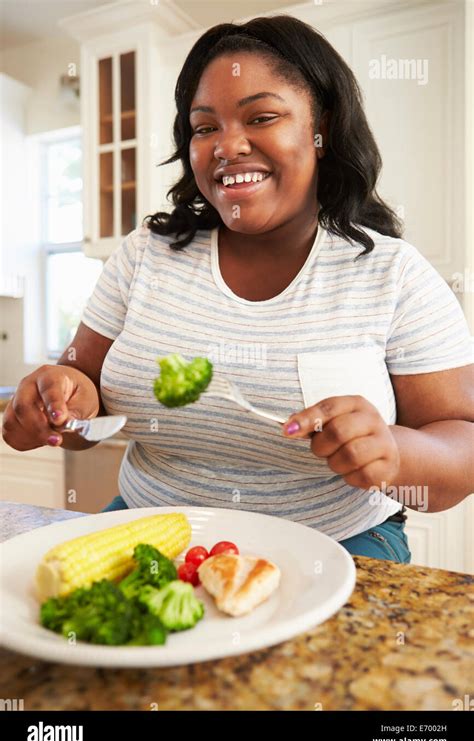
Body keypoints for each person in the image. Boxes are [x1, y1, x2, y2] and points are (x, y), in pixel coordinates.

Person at [3, 16, 473, 565]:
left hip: (338, 546)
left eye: (262, 117)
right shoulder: (144, 256)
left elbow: (460, 448)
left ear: (322, 130)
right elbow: (81, 392)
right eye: (205, 128)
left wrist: (395, 452)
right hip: (153, 531)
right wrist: (56, 402)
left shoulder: (393, 274)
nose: (227, 146)